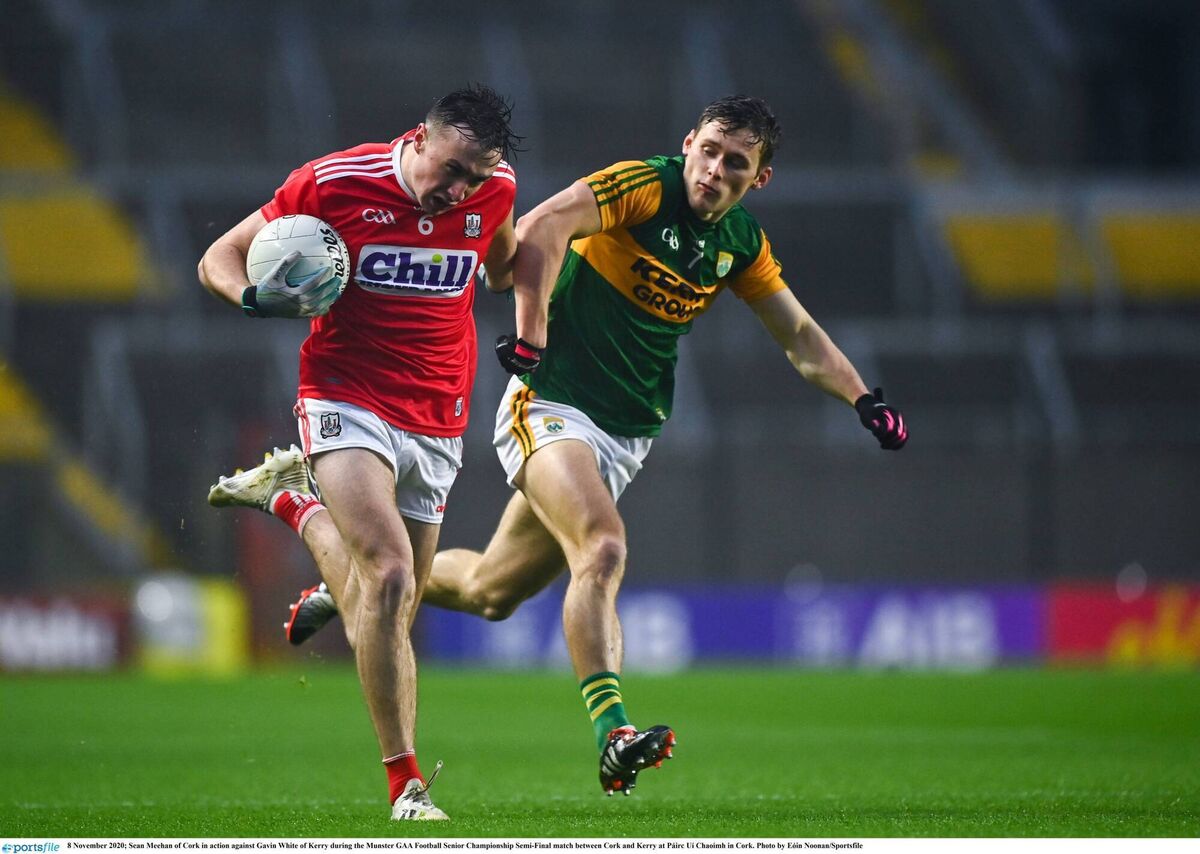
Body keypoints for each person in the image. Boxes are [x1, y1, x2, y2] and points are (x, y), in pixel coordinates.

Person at [285, 95, 908, 797]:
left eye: (735, 164)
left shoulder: (739, 242)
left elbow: (798, 336)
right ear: (689, 143)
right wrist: (532, 333)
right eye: (707, 151)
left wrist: (863, 397)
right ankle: (613, 733)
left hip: (624, 434)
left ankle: (342, 580)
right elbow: (543, 226)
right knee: (603, 547)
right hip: (549, 402)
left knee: (492, 590)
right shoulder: (644, 185)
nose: (713, 171)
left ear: (757, 179)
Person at [197, 85, 521, 821]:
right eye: (451, 170)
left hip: (440, 411)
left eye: (475, 176)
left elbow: (501, 263)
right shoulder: (333, 183)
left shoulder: (495, 191)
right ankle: (405, 787)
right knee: (391, 574)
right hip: (345, 396)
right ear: (419, 139)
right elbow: (220, 257)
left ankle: (293, 502)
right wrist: (252, 300)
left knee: (387, 606)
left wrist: (533, 282)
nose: (460, 189)